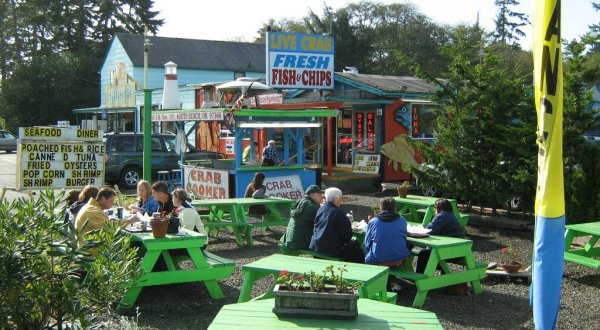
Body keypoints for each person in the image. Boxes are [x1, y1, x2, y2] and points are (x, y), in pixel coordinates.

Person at [309, 188, 363, 262]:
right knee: (356, 251)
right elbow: (346, 236)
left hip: (316, 246)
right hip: (329, 249)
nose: (341, 200)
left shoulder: (321, 209)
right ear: (335, 199)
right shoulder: (337, 212)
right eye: (340, 198)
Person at [416, 198, 465, 273]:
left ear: (439, 208)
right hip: (458, 250)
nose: (434, 209)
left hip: (451, 252)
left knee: (423, 254)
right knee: (430, 252)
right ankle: (443, 273)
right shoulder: (451, 215)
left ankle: (419, 278)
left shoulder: (442, 215)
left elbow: (429, 229)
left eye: (435, 207)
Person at [364, 197, 411, 265]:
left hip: (379, 259)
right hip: (399, 258)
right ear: (395, 207)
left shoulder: (373, 221)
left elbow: (367, 244)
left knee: (363, 246)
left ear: (381, 207)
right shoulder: (402, 220)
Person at [280, 185, 324, 250]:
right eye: (319, 194)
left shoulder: (300, 201)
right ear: (312, 195)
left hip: (288, 239)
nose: (322, 197)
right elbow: (323, 222)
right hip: (299, 243)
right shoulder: (312, 206)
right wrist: (324, 207)